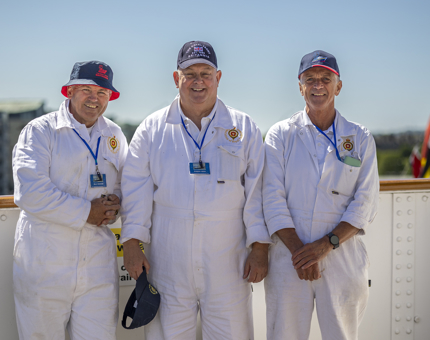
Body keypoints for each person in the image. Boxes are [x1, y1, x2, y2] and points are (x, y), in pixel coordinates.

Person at [120, 40, 271, 339]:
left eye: (206, 73)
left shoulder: (244, 128)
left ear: (218, 77)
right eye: (190, 73)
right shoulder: (152, 129)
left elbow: (257, 193)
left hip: (229, 263)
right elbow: (135, 189)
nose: (198, 81)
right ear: (177, 78)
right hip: (168, 262)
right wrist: (132, 243)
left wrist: (260, 248)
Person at [263, 50, 379, 340]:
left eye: (325, 79)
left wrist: (326, 246)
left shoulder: (360, 138)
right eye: (310, 79)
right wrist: (302, 254)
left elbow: (365, 202)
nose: (318, 86)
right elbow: (271, 199)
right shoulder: (280, 135)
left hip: (342, 256)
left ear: (338, 86)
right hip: (289, 258)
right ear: (299, 86)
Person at [12, 61, 127, 340]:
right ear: (70, 91)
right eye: (86, 90)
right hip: (44, 265)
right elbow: (30, 192)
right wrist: (87, 211)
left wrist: (117, 201)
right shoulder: (39, 131)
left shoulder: (115, 134)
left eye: (102, 93)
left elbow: (128, 182)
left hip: (98, 266)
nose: (94, 99)